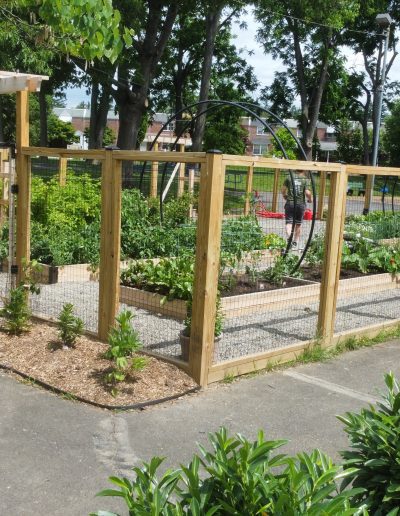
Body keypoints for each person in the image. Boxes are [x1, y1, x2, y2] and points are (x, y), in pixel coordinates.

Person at [281, 170, 312, 249]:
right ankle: (295, 241)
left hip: (290, 203)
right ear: (303, 171)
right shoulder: (304, 179)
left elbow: (283, 189)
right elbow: (307, 193)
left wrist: (285, 195)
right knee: (298, 224)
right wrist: (310, 199)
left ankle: (289, 237)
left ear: (295, 169)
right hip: (300, 204)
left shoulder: (289, 177)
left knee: (289, 223)